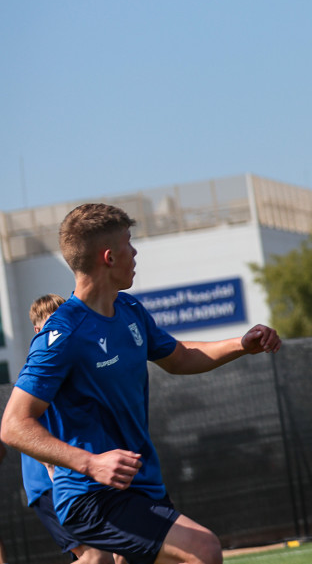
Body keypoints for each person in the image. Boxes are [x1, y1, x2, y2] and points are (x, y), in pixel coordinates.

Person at [0, 203, 282, 564]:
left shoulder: (130, 311)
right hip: (92, 495)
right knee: (203, 549)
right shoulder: (63, 333)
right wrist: (90, 463)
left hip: (142, 485)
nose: (135, 253)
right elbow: (13, 425)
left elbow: (180, 357)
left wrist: (241, 344)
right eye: (129, 244)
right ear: (109, 257)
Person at [24, 294, 120, 564]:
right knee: (95, 556)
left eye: (62, 318)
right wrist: (52, 471)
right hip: (51, 483)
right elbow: (26, 426)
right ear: (38, 330)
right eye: (51, 321)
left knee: (121, 551)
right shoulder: (40, 368)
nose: (59, 326)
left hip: (79, 479)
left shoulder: (73, 363)